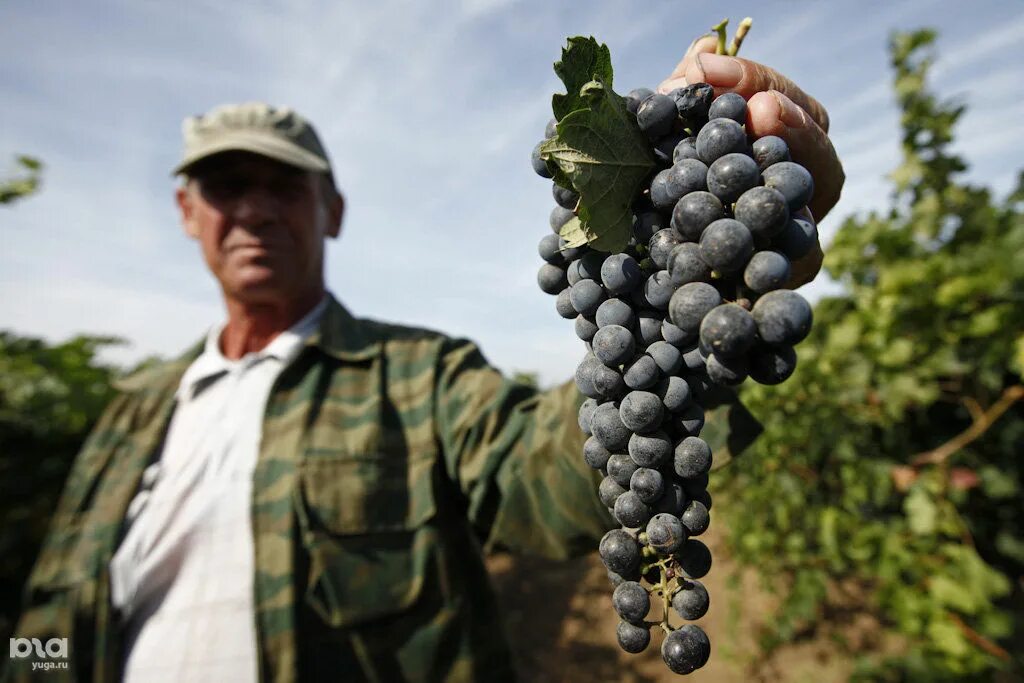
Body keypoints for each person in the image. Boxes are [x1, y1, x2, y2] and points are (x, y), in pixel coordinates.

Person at [4, 35, 843, 683]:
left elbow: (542, 474)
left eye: (283, 185)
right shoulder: (131, 409)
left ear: (331, 209)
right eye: (226, 186)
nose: (254, 208)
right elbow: (52, 620)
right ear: (189, 213)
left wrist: (698, 303)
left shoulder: (421, 378)